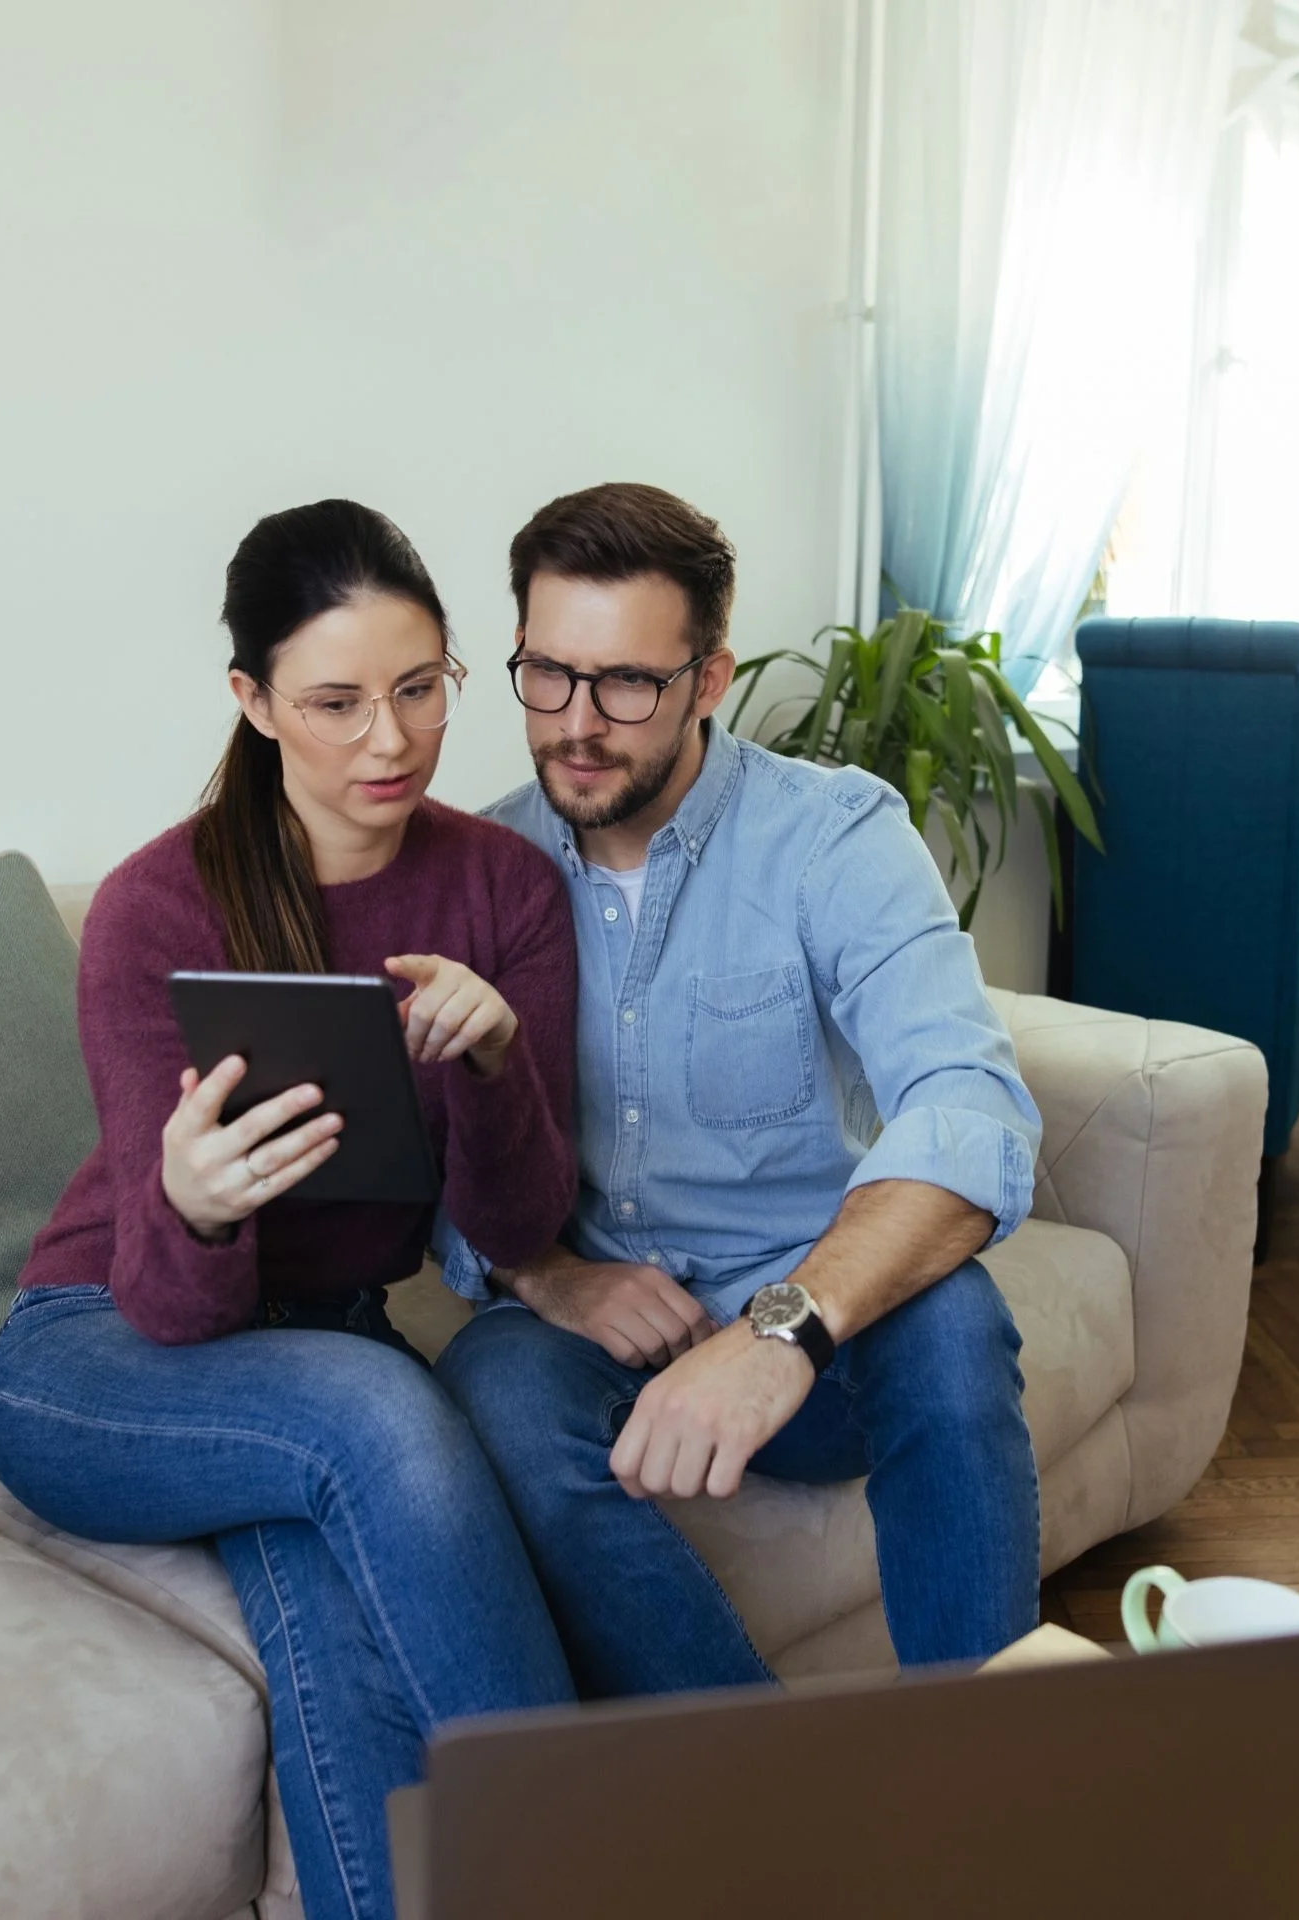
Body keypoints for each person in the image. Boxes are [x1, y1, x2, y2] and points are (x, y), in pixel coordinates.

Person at [0, 499, 578, 1920]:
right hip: (96, 1352)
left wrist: (494, 1065)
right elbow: (173, 1311)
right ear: (253, 702)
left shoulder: (505, 889)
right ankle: (589, 1868)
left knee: (337, 1612)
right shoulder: (157, 907)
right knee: (377, 1415)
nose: (392, 739)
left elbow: (518, 1232)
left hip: (320, 1358)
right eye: (336, 702)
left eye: (421, 688)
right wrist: (190, 1206)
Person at [433, 482, 1043, 1697]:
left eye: (626, 683)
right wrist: (553, 1277)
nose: (575, 725)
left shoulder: (834, 838)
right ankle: (761, 1777)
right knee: (490, 1389)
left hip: (818, 1330)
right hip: (603, 1338)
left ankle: (987, 1767)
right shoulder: (479, 873)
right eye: (545, 675)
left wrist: (784, 1328)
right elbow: (442, 1168)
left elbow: (969, 1104)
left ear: (708, 680)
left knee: (955, 1323)